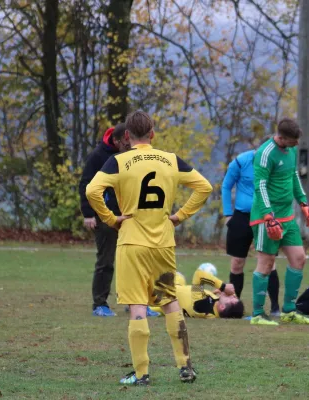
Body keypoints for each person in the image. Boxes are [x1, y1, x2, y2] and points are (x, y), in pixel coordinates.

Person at [86, 110, 214, 386]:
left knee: (137, 306)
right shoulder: (170, 160)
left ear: (128, 136)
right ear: (152, 134)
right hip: (163, 244)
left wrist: (110, 219)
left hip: (132, 243)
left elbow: (91, 190)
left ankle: (142, 373)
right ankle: (185, 366)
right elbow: (204, 187)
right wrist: (179, 216)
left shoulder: (117, 161)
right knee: (169, 301)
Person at [249, 118, 309, 326]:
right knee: (266, 264)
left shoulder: (291, 151)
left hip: (287, 217)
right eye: (294, 140)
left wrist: (303, 202)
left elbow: (293, 176)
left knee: (299, 258)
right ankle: (258, 314)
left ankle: (289, 310)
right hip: (267, 219)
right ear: (283, 137)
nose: (297, 144)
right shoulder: (265, 153)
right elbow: (260, 186)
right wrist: (269, 216)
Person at [221, 139, 280, 316]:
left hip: (265, 217)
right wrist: (228, 214)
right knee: (237, 263)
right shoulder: (241, 161)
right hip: (241, 216)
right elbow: (226, 186)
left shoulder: (276, 165)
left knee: (269, 262)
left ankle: (276, 307)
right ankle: (235, 306)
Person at [78, 124, 129, 317]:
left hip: (127, 215)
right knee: (106, 261)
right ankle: (100, 304)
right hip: (104, 216)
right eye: (125, 143)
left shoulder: (130, 155)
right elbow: (86, 184)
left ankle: (134, 302)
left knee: (133, 260)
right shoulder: (98, 156)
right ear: (116, 141)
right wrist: (88, 213)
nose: (129, 146)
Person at [149, 269, 244, 319]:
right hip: (177, 287)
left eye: (231, 299)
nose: (232, 295)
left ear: (222, 307)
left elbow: (198, 275)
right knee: (180, 277)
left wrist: (222, 286)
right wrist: (218, 293)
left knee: (168, 273)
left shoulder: (202, 306)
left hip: (162, 292)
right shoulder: (215, 307)